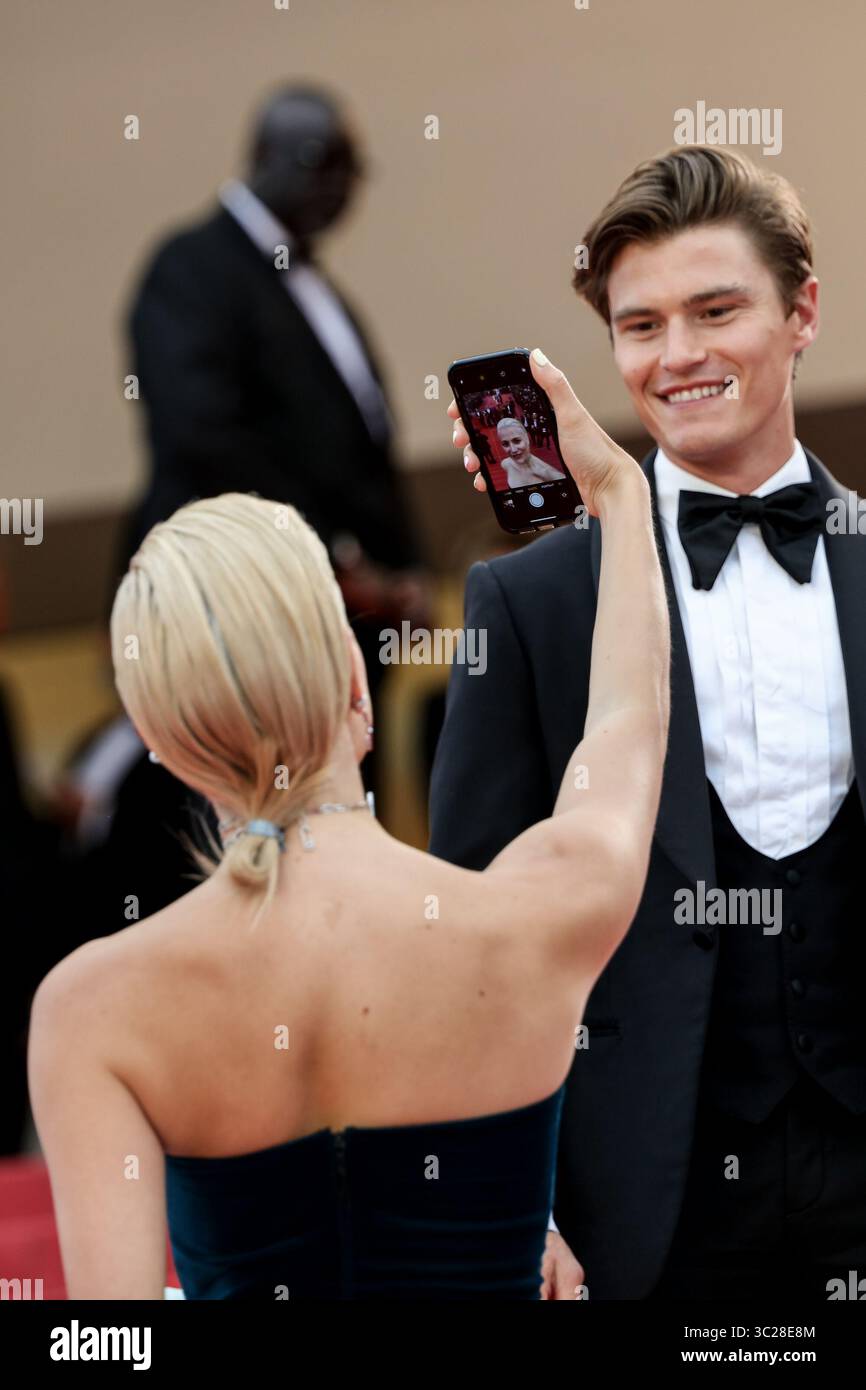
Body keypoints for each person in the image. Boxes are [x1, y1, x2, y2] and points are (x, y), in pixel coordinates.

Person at [26, 351, 670, 1300]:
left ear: (164, 745)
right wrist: (619, 492)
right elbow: (628, 718)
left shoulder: (93, 1010)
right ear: (353, 679)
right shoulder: (539, 912)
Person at [434, 145, 866, 1300]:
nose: (676, 356)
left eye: (714, 310)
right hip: (642, 1211)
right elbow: (477, 935)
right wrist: (510, 1208)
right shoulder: (530, 605)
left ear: (800, 311)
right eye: (639, 326)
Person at [116, 83, 430, 809]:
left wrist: (405, 566)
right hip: (247, 610)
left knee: (349, 820)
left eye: (353, 166)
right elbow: (202, 438)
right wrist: (342, 561)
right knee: (265, 828)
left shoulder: (305, 276)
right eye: (325, 162)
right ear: (263, 157)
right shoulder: (192, 269)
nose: (344, 185)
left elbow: (360, 443)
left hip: (344, 618)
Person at [495, 417, 566, 489]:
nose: (513, 450)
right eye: (505, 444)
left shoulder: (547, 473)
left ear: (527, 439)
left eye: (517, 441)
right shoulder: (506, 464)